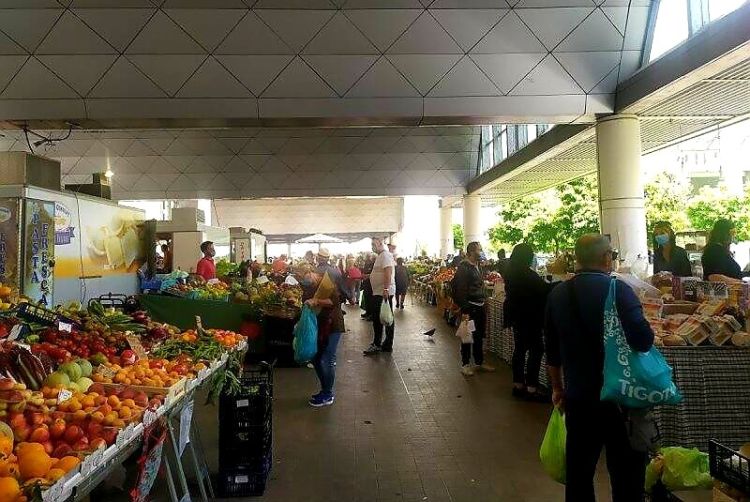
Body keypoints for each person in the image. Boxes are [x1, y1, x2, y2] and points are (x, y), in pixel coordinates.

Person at [545, 234, 654, 502]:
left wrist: (558, 389)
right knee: (626, 476)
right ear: (607, 258)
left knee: (579, 476)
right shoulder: (619, 291)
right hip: (621, 399)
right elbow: (643, 340)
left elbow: (552, 351)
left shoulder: (558, 294)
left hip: (579, 399)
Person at [503, 243, 552, 401]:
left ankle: (518, 384)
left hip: (517, 317)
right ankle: (532, 387)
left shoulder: (511, 272)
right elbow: (544, 290)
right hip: (531, 318)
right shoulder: (528, 274)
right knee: (536, 350)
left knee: (520, 349)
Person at [304, 248, 345, 407]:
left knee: (326, 360)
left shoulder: (326, 282)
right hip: (321, 324)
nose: (305, 279)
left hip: (333, 324)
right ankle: (324, 390)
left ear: (312, 272)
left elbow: (334, 301)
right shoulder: (311, 285)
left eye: (306, 276)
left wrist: (316, 302)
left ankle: (328, 394)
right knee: (315, 358)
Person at [451, 242, 495, 376]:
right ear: (471, 252)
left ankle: (478, 362)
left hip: (480, 305)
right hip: (469, 307)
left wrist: (485, 299)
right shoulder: (464, 268)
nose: (481, 252)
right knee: (467, 336)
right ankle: (465, 364)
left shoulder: (478, 266)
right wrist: (464, 308)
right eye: (479, 250)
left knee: (479, 335)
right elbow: (460, 289)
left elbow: (480, 285)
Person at [363, 238, 396, 355]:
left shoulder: (385, 255)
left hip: (383, 292)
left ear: (380, 244)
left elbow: (388, 272)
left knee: (381, 318)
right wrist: (369, 276)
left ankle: (379, 344)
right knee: (381, 317)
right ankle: (384, 344)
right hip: (379, 291)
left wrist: (386, 289)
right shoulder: (381, 256)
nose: (372, 246)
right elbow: (380, 272)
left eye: (374, 244)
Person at [360, 253, 376, 321]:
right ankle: (368, 312)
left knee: (371, 300)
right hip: (366, 284)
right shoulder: (368, 264)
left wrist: (367, 276)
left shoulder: (374, 265)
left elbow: (374, 274)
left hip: (371, 285)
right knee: (367, 299)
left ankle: (372, 314)